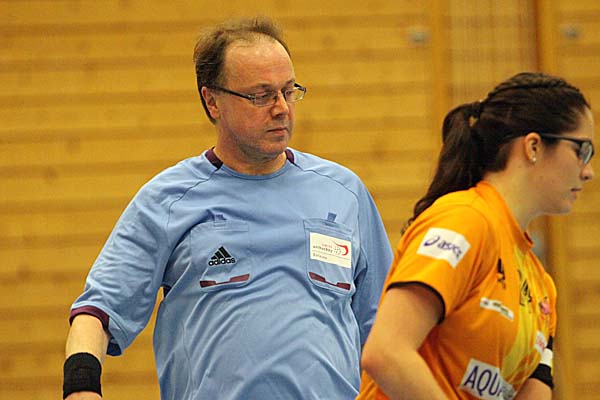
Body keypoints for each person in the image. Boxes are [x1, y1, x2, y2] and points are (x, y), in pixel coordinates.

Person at [62, 16, 393, 400]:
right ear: (212, 101)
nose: (282, 108)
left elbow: (386, 330)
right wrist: (81, 387)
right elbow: (96, 312)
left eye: (288, 91)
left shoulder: (344, 193)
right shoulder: (168, 200)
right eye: (261, 95)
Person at [358, 72, 595, 399]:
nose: (588, 171)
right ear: (534, 147)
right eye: (582, 150)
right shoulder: (463, 222)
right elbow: (386, 352)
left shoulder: (542, 287)